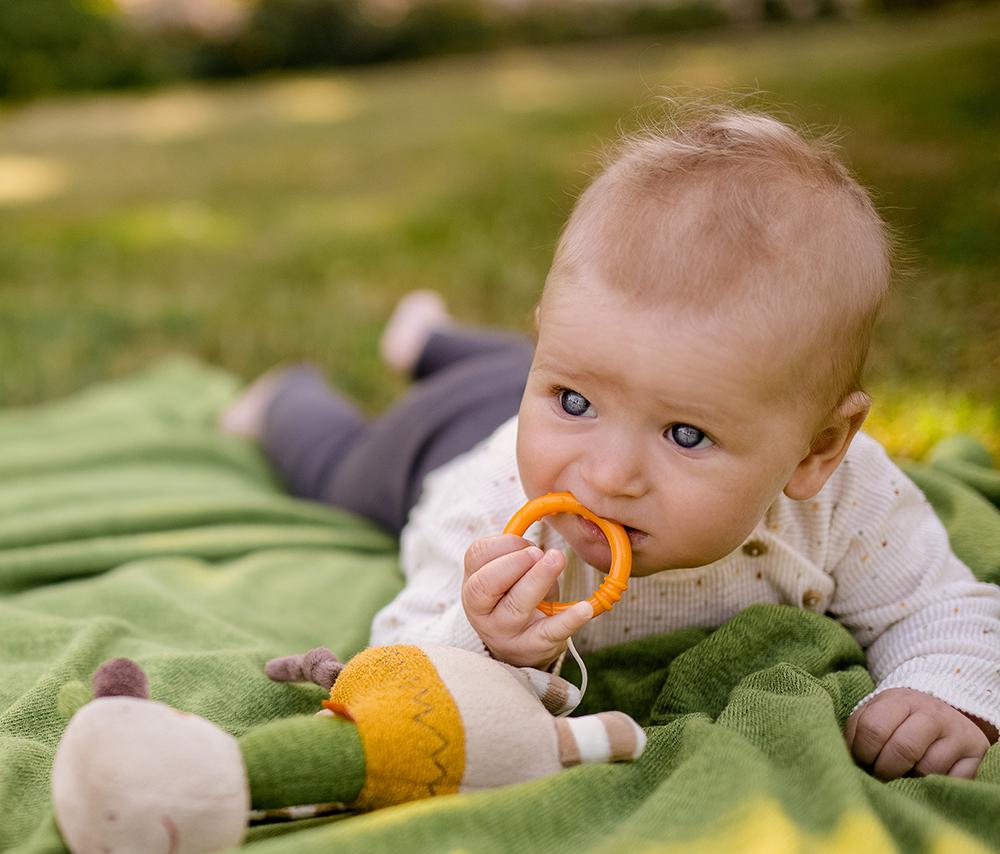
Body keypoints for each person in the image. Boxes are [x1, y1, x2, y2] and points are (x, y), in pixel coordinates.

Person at [222, 108, 1000, 781]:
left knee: (581, 379)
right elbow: (401, 656)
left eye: (686, 434)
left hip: (528, 388)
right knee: (337, 467)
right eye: (571, 397)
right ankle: (291, 394)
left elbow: (939, 607)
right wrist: (484, 637)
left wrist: (938, 691)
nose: (607, 475)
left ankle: (441, 343)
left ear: (814, 451)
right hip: (444, 441)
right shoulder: (495, 513)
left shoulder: (849, 498)